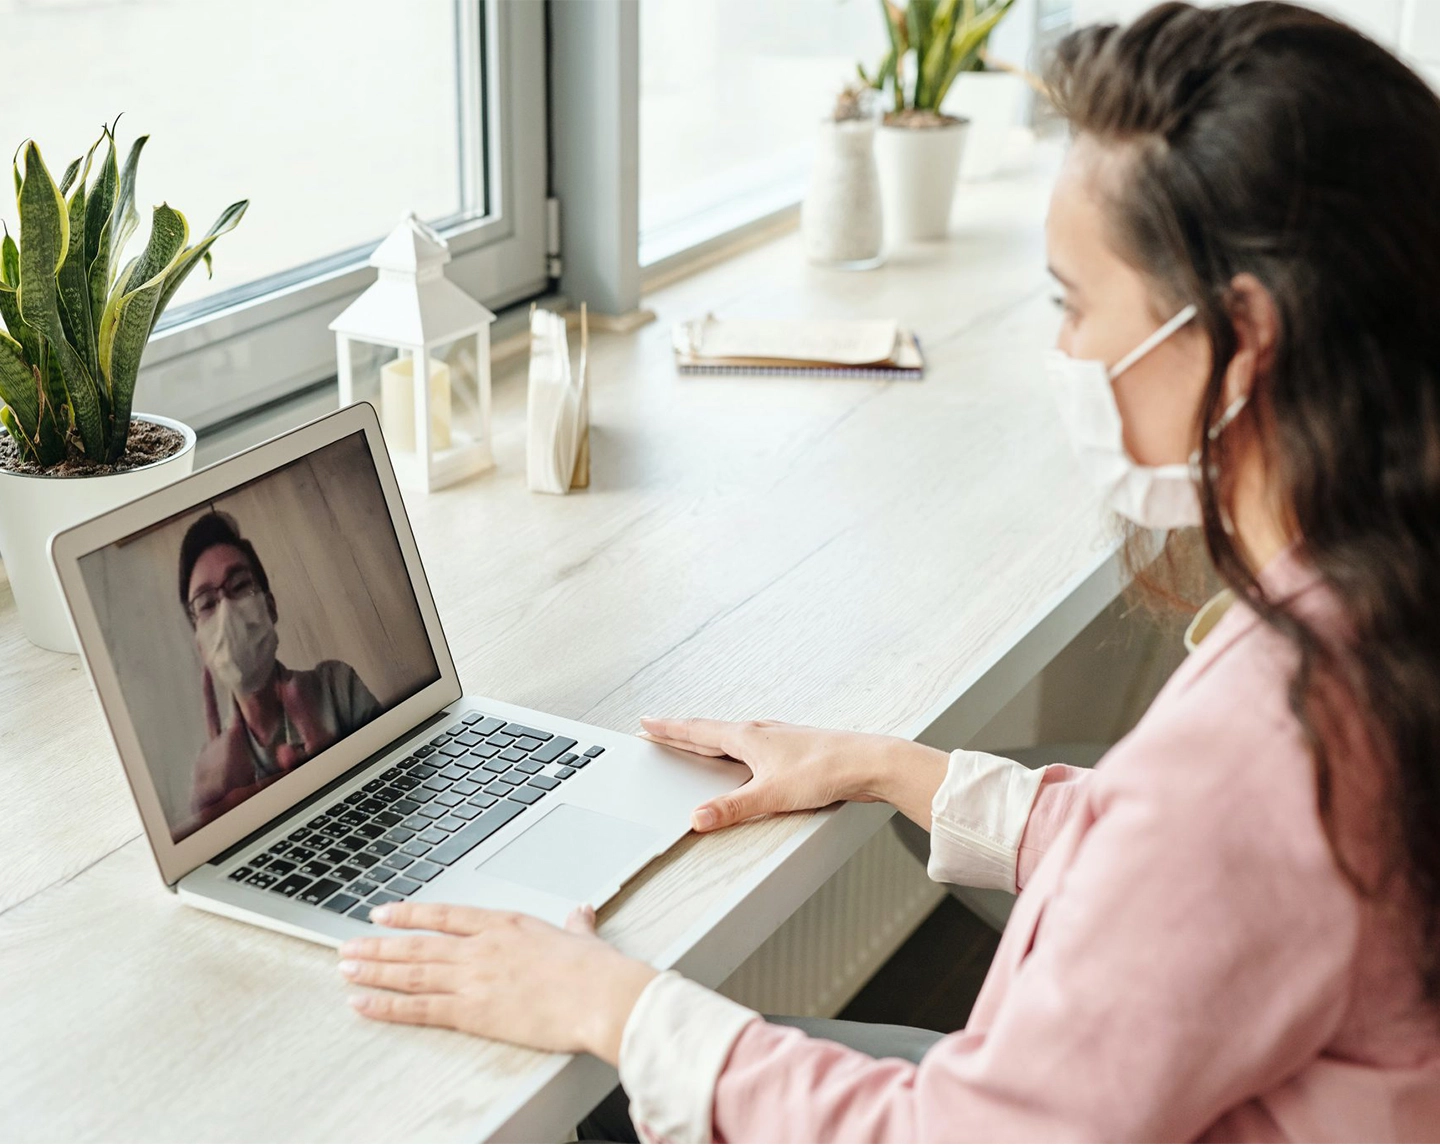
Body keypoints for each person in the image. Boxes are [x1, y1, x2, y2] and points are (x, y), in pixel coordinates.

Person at [330, 3, 1440, 1140]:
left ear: (1241, 339)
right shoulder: (1385, 598)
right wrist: (890, 767)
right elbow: (1195, 886)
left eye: (1073, 303)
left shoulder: (1269, 745)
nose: (1061, 352)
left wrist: (608, 1000)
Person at [180, 511, 380, 830]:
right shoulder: (213, 770)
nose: (227, 611)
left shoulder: (337, 686)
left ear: (270, 607)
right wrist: (207, 821)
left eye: (240, 585)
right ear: (201, 645)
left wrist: (338, 773)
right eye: (206, 603)